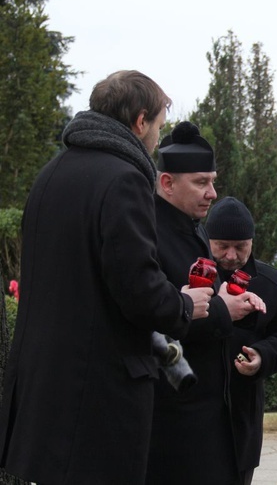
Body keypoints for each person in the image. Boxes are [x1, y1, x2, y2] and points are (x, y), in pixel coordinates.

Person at [0, 70, 213, 485]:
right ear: (139, 121)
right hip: (96, 397)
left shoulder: (51, 174)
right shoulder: (124, 178)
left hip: (43, 393)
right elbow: (137, 290)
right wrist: (186, 304)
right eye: (157, 127)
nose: (155, 139)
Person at [145, 122, 266, 485]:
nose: (212, 193)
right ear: (167, 183)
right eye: (201, 182)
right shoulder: (147, 231)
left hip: (213, 415)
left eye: (212, 181)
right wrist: (221, 310)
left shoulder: (193, 228)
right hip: (173, 419)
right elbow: (153, 319)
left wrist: (233, 303)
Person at [205, 196, 277, 484]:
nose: (231, 256)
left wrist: (262, 356)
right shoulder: (191, 276)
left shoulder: (271, 282)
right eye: (222, 246)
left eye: (241, 247)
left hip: (241, 412)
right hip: (193, 408)